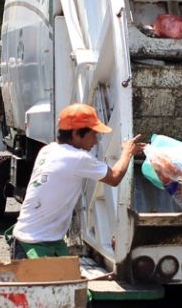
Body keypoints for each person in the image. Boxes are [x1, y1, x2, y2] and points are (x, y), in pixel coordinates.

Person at [10, 103, 146, 259]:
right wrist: (128, 152)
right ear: (76, 134)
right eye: (93, 135)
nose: (95, 141)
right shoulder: (78, 158)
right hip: (37, 245)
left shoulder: (48, 150)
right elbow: (115, 177)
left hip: (28, 239)